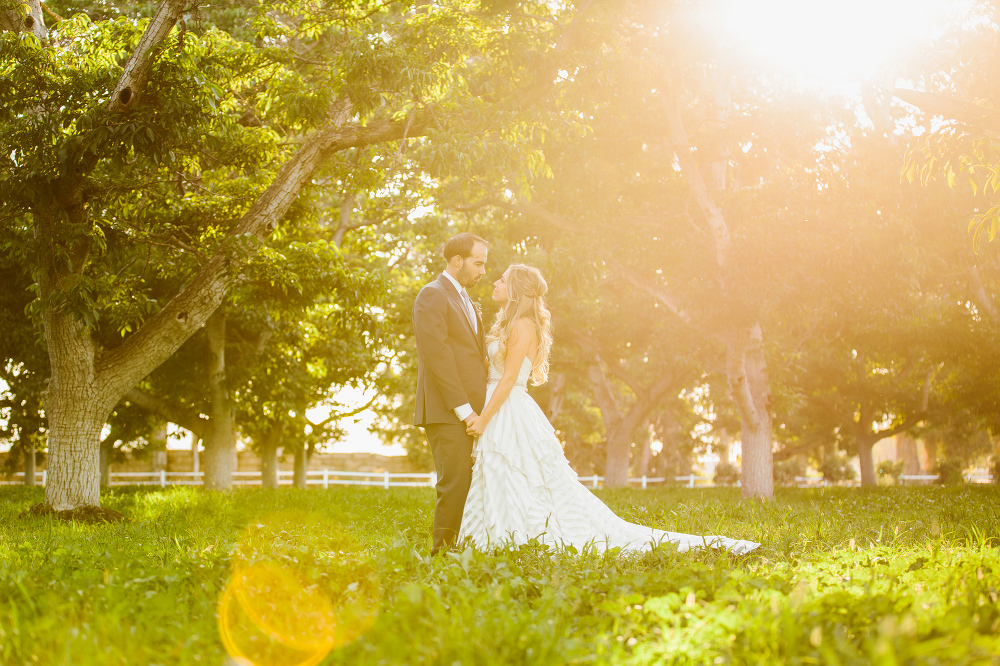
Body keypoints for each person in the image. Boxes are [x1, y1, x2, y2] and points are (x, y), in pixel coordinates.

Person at [459, 264, 760, 555]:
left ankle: (517, 535)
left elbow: (510, 378)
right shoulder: (507, 325)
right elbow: (492, 369)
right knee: (502, 472)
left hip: (509, 407)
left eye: (502, 279)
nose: (496, 282)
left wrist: (484, 419)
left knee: (516, 470)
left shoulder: (524, 326)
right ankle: (496, 531)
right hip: (497, 402)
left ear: (516, 289)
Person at [412, 232, 489, 554]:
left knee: (472, 484)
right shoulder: (432, 295)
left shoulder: (465, 299)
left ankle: (467, 547)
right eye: (478, 263)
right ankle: (441, 555)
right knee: (455, 484)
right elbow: (438, 357)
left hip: (474, 411)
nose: (483, 271)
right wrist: (465, 411)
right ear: (457, 261)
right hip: (448, 411)